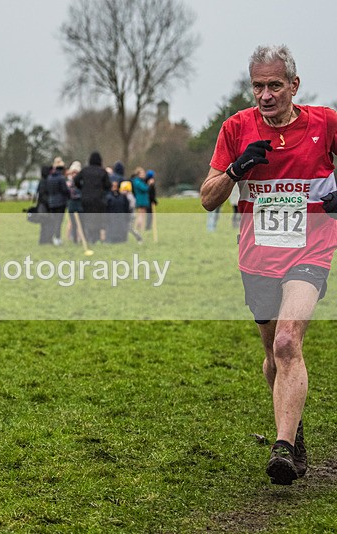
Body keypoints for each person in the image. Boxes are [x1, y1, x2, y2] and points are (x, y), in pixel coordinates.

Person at [200, 44, 337, 486]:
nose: (265, 94)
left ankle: (281, 446)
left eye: (274, 85)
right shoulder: (236, 128)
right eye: (258, 85)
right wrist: (237, 170)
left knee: (285, 342)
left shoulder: (326, 123)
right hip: (257, 257)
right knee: (271, 356)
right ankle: (293, 433)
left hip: (310, 252)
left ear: (293, 85)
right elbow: (207, 199)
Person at [74, 152, 110, 244]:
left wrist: (82, 188)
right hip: (98, 199)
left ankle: (87, 236)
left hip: (86, 198)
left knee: (87, 218)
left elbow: (76, 180)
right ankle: (96, 237)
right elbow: (108, 185)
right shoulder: (102, 172)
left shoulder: (85, 170)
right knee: (98, 218)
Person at [43, 157, 71, 246]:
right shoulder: (61, 178)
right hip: (60, 202)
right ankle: (57, 238)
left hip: (51, 202)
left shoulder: (49, 177)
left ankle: (51, 237)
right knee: (59, 221)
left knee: (53, 220)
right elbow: (65, 190)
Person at [64, 160, 83, 243]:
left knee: (81, 222)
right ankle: (73, 238)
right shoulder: (68, 182)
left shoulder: (81, 182)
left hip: (79, 203)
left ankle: (81, 237)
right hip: (72, 204)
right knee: (72, 222)